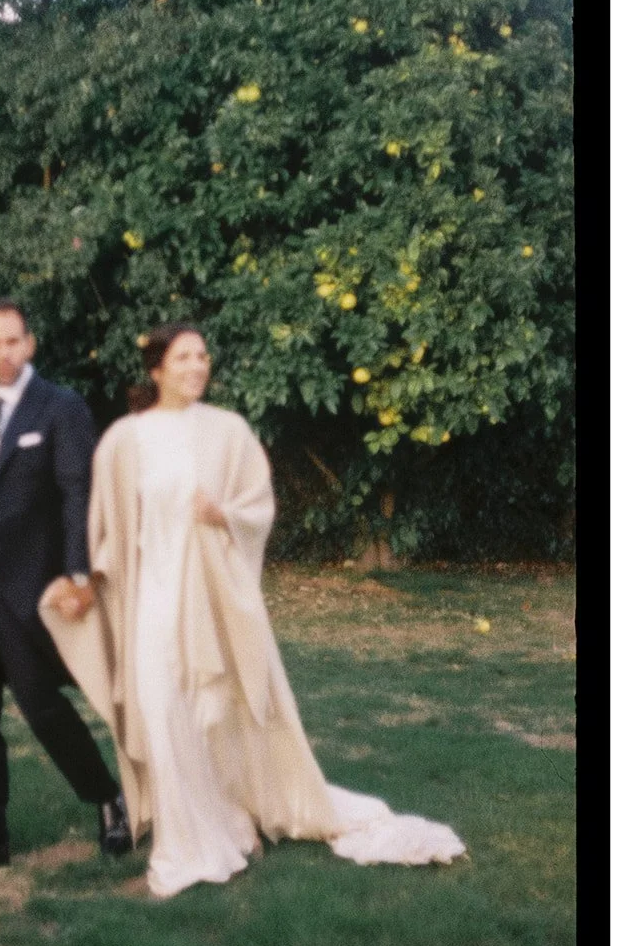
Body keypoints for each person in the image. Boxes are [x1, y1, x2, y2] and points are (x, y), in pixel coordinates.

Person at [41, 322, 465, 899]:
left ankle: (225, 819)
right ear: (157, 370)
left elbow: (257, 508)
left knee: (214, 712)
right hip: (151, 602)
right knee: (161, 709)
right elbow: (108, 527)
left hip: (211, 599)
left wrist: (223, 516)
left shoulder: (228, 431)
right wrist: (86, 579)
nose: (197, 365)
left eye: (203, 355)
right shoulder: (123, 441)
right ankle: (190, 830)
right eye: (184, 357)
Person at [0, 298, 131, 877]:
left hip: (25, 584)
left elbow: (76, 492)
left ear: (30, 343)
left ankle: (107, 799)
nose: (3, 353)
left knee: (40, 704)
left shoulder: (59, 407)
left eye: (12, 341)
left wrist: (78, 570)